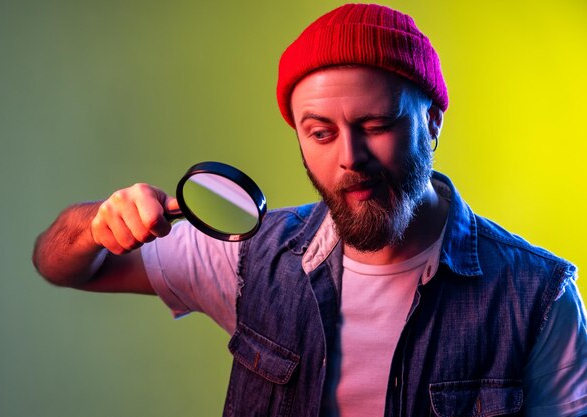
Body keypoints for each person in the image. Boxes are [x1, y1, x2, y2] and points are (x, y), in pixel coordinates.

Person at [33, 4, 587, 417]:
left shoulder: (538, 297)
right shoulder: (247, 257)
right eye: (321, 133)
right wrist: (99, 222)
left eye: (376, 125)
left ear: (433, 123)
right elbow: (59, 264)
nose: (350, 158)